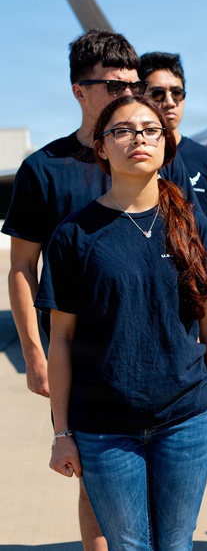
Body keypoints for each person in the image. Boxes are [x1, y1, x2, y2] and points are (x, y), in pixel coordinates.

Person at [3, 30, 193, 551]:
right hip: (83, 355)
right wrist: (34, 352)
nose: (127, 95)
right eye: (112, 85)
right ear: (78, 91)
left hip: (159, 363)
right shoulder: (44, 169)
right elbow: (22, 268)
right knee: (95, 480)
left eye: (135, 85)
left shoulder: (151, 157)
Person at [39, 95, 207, 550]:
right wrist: (62, 433)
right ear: (102, 147)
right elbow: (62, 342)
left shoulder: (195, 228)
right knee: (129, 545)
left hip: (185, 420)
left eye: (150, 130)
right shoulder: (74, 236)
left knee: (176, 543)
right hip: (104, 427)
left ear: (166, 144)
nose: (139, 139)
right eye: (123, 131)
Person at [138, 52, 207, 360]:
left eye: (177, 93)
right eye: (158, 93)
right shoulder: (125, 163)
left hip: (201, 312)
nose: (169, 101)